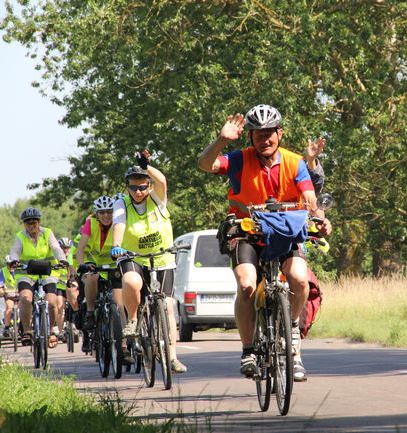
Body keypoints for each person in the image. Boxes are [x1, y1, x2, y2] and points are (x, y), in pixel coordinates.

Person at [197, 104, 332, 381]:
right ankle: (248, 350)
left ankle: (292, 333)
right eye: (258, 134)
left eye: (270, 133)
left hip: (286, 231)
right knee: (247, 285)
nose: (265, 139)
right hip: (247, 231)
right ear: (251, 138)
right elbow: (205, 164)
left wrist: (319, 219)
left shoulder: (295, 163)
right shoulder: (238, 159)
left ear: (279, 134)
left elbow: (309, 198)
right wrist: (222, 140)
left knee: (299, 278)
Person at [111, 151, 187, 373]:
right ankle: (133, 320)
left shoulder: (158, 199)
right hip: (133, 256)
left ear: (149, 187)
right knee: (132, 282)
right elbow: (119, 225)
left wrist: (147, 166)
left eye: (143, 186)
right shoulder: (121, 204)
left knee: (167, 306)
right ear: (127, 188)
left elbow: (162, 180)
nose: (138, 191)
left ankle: (172, 356)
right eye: (133, 187)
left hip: (162, 257)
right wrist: (117, 244)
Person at [75, 195, 130, 361]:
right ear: (96, 214)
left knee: (119, 306)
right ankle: (91, 313)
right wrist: (82, 264)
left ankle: (124, 346)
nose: (106, 216)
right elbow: (81, 248)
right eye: (102, 213)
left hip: (114, 265)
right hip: (95, 263)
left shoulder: (118, 223)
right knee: (91, 278)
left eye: (109, 212)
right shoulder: (90, 224)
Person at [8, 207, 68, 347]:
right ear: (24, 224)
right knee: (25, 298)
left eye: (34, 222)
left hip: (48, 271)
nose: (32, 226)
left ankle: (51, 331)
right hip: (26, 273)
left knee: (52, 302)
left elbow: (56, 248)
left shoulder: (47, 233)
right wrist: (13, 260)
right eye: (28, 223)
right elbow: (15, 251)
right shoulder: (20, 236)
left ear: (39, 222)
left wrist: (62, 259)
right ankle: (27, 331)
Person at [52, 237, 78, 341]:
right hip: (59, 285)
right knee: (59, 305)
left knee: (75, 299)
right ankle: (61, 330)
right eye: (63, 248)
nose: (65, 250)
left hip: (70, 284)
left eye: (67, 248)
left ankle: (76, 323)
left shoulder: (72, 257)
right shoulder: (56, 258)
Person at [0, 255, 18, 337]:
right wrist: (1, 291)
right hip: (9, 294)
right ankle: (7, 327)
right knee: (9, 307)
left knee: (25, 307)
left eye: (13, 264)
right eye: (9, 264)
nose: (11, 266)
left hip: (19, 293)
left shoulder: (19, 270)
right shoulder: (3, 271)